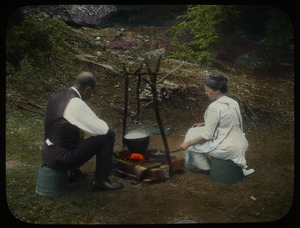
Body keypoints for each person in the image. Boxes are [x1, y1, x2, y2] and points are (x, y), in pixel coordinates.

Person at [41, 71, 124, 191]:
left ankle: (73, 171)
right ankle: (100, 181)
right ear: (88, 90)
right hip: (61, 159)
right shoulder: (75, 103)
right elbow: (102, 130)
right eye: (91, 93)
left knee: (75, 131)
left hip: (47, 154)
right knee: (108, 135)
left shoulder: (57, 97)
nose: (90, 96)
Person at [180, 73, 254, 176]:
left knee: (190, 137)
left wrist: (188, 144)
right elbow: (227, 120)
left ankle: (204, 167)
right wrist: (204, 123)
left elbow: (207, 136)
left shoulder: (214, 107)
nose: (206, 93)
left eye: (208, 90)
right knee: (193, 131)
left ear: (217, 91)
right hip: (241, 143)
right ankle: (205, 165)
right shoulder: (233, 102)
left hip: (226, 148)